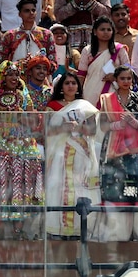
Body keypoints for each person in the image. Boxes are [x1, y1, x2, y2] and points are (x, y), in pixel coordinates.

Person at [0, 61, 44, 240]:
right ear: (2, 76)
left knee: (20, 185)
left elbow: (33, 123)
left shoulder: (24, 96)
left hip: (21, 146)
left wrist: (20, 113)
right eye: (10, 74)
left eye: (17, 74)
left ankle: (18, 229)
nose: (14, 78)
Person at [44, 72, 100, 239]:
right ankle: (58, 229)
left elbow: (92, 130)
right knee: (60, 189)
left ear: (78, 87)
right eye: (67, 83)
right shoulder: (53, 106)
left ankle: (79, 228)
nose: (70, 86)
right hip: (60, 154)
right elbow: (47, 131)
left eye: (73, 83)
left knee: (79, 189)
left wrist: (79, 127)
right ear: (61, 87)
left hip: (81, 153)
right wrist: (63, 127)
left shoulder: (85, 106)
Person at [97, 65, 138, 242]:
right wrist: (116, 126)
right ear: (116, 81)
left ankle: (132, 231)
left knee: (131, 185)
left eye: (129, 79)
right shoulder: (107, 99)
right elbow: (102, 125)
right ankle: (113, 232)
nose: (126, 82)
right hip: (112, 149)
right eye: (122, 79)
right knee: (112, 185)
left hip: (133, 150)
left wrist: (134, 122)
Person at [76, 16, 130, 106]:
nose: (106, 32)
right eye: (102, 29)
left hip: (113, 92)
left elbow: (129, 71)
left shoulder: (119, 49)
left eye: (109, 30)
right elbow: (81, 76)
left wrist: (115, 76)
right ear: (95, 32)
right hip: (90, 92)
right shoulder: (87, 50)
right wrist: (78, 95)